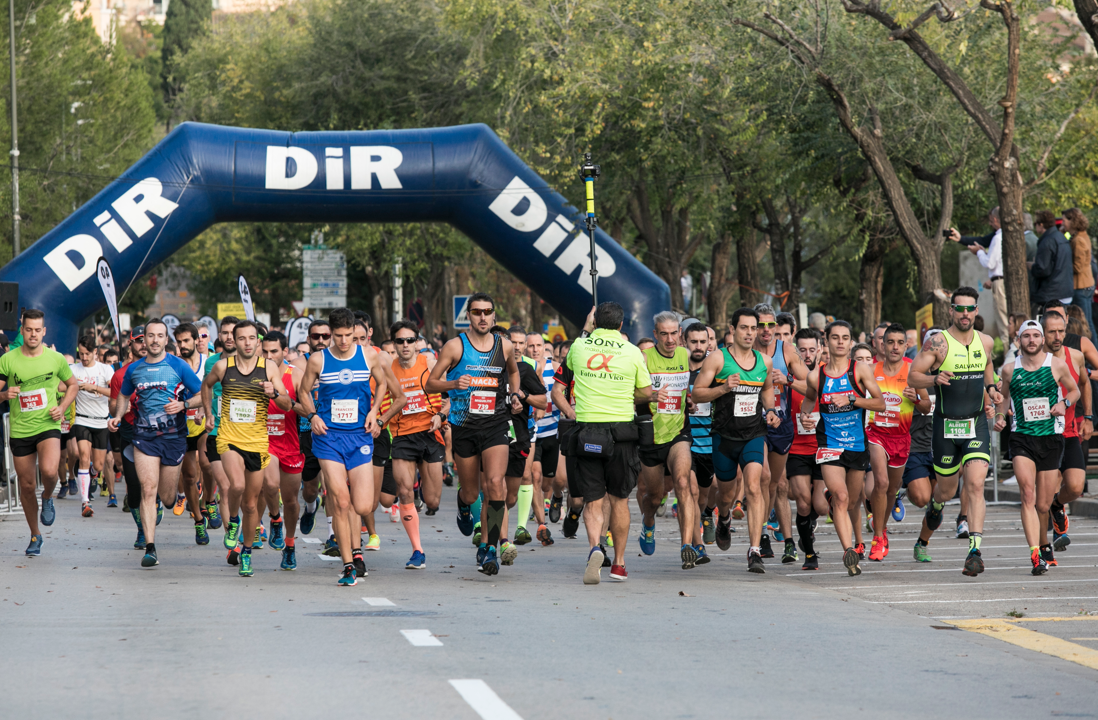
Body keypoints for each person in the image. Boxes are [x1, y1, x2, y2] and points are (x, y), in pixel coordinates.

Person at [562, 302, 660, 584]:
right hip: (621, 434)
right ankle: (618, 564)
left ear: (595, 323)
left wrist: (586, 328)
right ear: (621, 325)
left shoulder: (580, 347)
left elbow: (570, 366)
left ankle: (595, 547)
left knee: (593, 500)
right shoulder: (632, 352)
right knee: (619, 500)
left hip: (588, 431)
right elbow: (644, 392)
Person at [425, 292, 522, 577]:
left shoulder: (503, 346)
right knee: (470, 492)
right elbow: (431, 384)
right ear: (468, 315)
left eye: (487, 311)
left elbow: (514, 373)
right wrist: (454, 382)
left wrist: (515, 394)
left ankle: (489, 546)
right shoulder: (455, 347)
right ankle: (463, 505)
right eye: (477, 312)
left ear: (494, 315)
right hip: (464, 427)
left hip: (495, 425)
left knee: (494, 484)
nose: (482, 317)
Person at [297, 308, 396, 586]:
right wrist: (313, 415)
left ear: (356, 333)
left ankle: (354, 543)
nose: (342, 341)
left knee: (363, 504)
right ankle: (349, 564)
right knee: (340, 501)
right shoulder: (319, 359)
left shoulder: (368, 356)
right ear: (331, 334)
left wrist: (375, 411)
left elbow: (384, 383)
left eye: (348, 336)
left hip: (359, 437)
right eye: (337, 336)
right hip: (328, 436)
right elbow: (303, 391)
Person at [909, 287, 1001, 577]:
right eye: (959, 308)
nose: (964, 314)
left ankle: (974, 550)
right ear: (951, 310)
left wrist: (992, 392)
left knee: (974, 485)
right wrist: (934, 378)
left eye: (969, 308)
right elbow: (913, 375)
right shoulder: (939, 343)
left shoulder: (985, 342)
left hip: (976, 424)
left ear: (976, 311)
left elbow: (988, 372)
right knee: (946, 491)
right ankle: (931, 520)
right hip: (946, 427)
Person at [693, 307, 783, 574]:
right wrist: (723, 387)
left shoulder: (763, 362)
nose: (749, 333)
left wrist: (771, 411)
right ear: (733, 330)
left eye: (753, 328)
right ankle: (723, 516)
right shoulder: (718, 359)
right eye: (744, 328)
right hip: (723, 437)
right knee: (726, 493)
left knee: (755, 487)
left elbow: (767, 390)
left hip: (753, 434)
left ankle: (754, 550)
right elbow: (697, 394)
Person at [109, 319, 204, 568]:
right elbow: (123, 395)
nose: (154, 340)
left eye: (159, 336)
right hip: (144, 437)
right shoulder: (134, 369)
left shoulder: (178, 366)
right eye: (150, 336)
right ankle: (150, 548)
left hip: (173, 438)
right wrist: (118, 416)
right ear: (144, 340)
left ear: (165, 340)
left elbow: (202, 394)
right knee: (147, 489)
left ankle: (166, 503)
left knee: (168, 496)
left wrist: (183, 405)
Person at [201, 321, 292, 577]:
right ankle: (232, 523)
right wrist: (208, 414)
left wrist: (273, 392)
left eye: (252, 338)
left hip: (258, 442)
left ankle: (247, 551)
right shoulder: (223, 366)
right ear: (235, 341)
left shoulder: (269, 368)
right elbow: (206, 386)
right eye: (242, 338)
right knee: (236, 486)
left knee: (251, 505)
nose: (248, 343)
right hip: (229, 438)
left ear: (258, 341)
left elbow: (286, 404)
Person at [799, 321, 886, 577]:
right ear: (826, 341)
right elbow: (809, 398)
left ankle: (844, 521)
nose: (840, 342)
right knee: (842, 497)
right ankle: (848, 550)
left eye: (845, 337)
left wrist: (851, 398)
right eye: (834, 337)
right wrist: (805, 414)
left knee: (853, 500)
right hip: (829, 445)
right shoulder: (817, 376)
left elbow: (880, 403)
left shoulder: (859, 370)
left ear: (850, 342)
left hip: (857, 446)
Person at [994, 320, 1080, 575]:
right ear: (1018, 340)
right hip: (1021, 438)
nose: (1031, 340)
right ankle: (1036, 553)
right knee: (1027, 495)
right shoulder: (1009, 369)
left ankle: (1045, 539)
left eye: (1035, 336)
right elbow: (1004, 398)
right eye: (1026, 336)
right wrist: (1000, 416)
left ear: (1042, 340)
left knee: (1043, 504)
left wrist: (1063, 403)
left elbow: (1074, 391)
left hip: (1050, 439)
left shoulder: (1056, 364)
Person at [0, 310, 79, 556]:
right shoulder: (8, 359)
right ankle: (35, 534)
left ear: (44, 331)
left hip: (48, 425)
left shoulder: (55, 359)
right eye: (28, 329)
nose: (33, 334)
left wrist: (63, 407)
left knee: (49, 471)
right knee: (25, 485)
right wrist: (4, 395)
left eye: (37, 330)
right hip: (21, 429)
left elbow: (73, 385)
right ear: (22, 330)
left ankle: (47, 496)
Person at [636, 311, 700, 569]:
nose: (670, 339)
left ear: (680, 335)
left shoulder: (686, 356)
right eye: (664, 334)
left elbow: (691, 388)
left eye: (674, 333)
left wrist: (691, 401)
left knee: (683, 482)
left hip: (678, 433)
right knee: (654, 496)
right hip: (651, 435)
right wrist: (649, 397)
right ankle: (648, 523)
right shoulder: (644, 358)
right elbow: (627, 394)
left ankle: (687, 546)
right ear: (655, 335)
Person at [866, 324, 932, 561]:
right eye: (889, 342)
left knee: (892, 489)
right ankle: (876, 538)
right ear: (882, 345)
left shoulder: (913, 372)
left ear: (906, 345)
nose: (894, 347)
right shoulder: (870, 370)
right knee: (881, 482)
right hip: (876, 435)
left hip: (901, 438)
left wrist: (917, 400)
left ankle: (882, 530)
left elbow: (927, 408)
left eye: (899, 343)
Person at [387, 319, 448, 568]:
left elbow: (451, 397)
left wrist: (440, 415)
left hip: (429, 433)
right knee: (403, 491)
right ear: (394, 344)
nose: (405, 345)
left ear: (417, 342)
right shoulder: (388, 369)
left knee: (433, 501)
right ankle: (417, 550)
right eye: (400, 341)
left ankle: (423, 491)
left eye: (410, 340)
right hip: (402, 436)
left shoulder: (430, 364)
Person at [753, 303, 808, 564]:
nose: (765, 330)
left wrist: (787, 380)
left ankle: (787, 541)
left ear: (776, 326)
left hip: (782, 425)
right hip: (754, 425)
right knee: (763, 477)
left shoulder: (786, 350)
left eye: (770, 325)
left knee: (778, 484)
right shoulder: (745, 351)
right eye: (760, 325)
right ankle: (760, 534)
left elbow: (811, 386)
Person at [1039, 311, 1090, 562]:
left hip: (1068, 431)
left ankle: (1058, 506)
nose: (1057, 336)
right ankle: (1043, 548)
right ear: (1043, 332)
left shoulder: (1076, 356)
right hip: (1040, 435)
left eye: (1061, 331)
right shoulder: (1033, 359)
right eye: (1051, 332)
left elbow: (1083, 385)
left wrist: (1088, 417)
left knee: (1075, 486)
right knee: (1041, 497)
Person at [260, 330, 308, 570]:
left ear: (285, 352)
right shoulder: (253, 374)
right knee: (269, 484)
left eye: (274, 351)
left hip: (290, 444)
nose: (269, 356)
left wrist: (281, 398)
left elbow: (308, 410)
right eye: (265, 351)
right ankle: (274, 519)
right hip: (263, 442)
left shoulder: (296, 376)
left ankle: (289, 545)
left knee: (291, 501)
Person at [786, 328, 826, 570]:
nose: (808, 354)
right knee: (802, 503)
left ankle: (810, 520)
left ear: (819, 349)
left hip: (823, 448)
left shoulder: (827, 375)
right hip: (797, 448)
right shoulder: (786, 377)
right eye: (802, 350)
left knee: (819, 506)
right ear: (794, 350)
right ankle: (810, 554)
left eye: (812, 349)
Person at [70, 335, 116, 517]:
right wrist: (72, 387)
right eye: (81, 354)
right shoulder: (73, 369)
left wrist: (93, 388)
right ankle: (85, 503)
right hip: (82, 420)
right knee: (83, 456)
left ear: (95, 352)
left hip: (100, 421)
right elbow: (60, 387)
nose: (84, 357)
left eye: (87, 354)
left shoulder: (105, 370)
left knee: (97, 465)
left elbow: (115, 392)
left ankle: (91, 472)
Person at [173, 323, 211, 545]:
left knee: (206, 464)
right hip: (183, 426)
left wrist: (205, 409)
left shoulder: (209, 363)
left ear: (196, 340)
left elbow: (213, 392)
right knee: (188, 475)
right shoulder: (174, 365)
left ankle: (209, 502)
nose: (182, 345)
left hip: (205, 424)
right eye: (179, 342)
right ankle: (198, 519)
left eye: (186, 341)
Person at [950, 207, 1008, 346]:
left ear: (994, 219)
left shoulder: (998, 237)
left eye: (990, 221)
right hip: (1002, 280)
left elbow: (990, 263)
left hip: (999, 282)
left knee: (1003, 322)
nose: (990, 224)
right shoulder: (1004, 236)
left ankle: (1008, 355)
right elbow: (982, 239)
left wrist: (980, 253)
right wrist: (961, 239)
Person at [1031, 210, 1074, 312]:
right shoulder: (1061, 237)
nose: (1035, 226)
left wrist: (1032, 267)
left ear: (1041, 225)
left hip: (1052, 293)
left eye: (1035, 224)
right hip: (1066, 291)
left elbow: (1043, 269)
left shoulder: (1047, 241)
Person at [1065, 207, 1096, 340]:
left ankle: (1093, 356)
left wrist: (1063, 267)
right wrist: (1063, 233)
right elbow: (1068, 238)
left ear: (1072, 221)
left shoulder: (1079, 241)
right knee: (1088, 323)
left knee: (1086, 324)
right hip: (1087, 285)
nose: (1063, 223)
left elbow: (1078, 267)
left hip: (1081, 286)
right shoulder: (1080, 235)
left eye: (1065, 220)